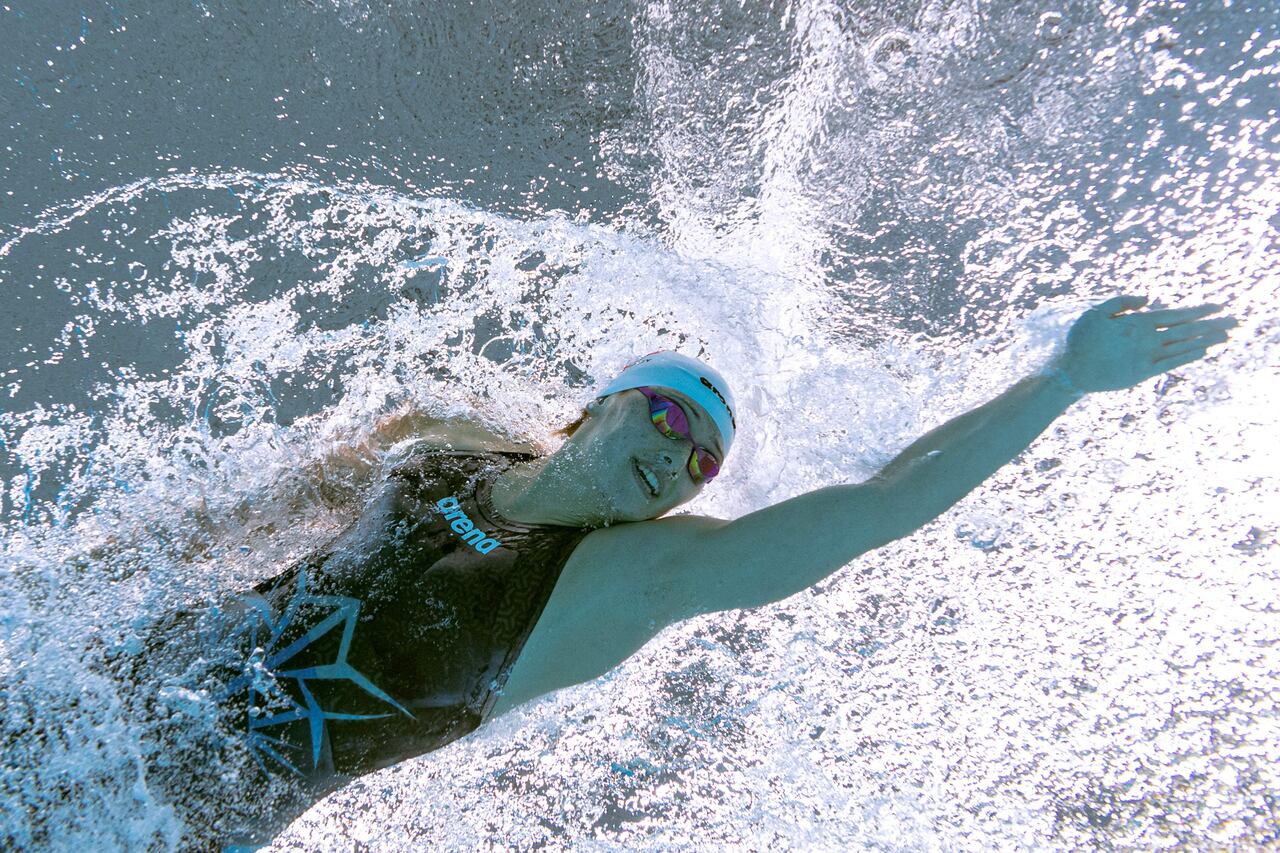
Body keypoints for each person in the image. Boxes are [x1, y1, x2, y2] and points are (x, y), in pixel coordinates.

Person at [125, 294, 1236, 848]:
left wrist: (1057, 382)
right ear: (597, 404)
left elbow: (883, 505)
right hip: (117, 682)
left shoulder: (621, 581)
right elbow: (240, 518)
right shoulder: (440, 452)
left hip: (165, 816)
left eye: (702, 460)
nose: (680, 453)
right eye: (667, 413)